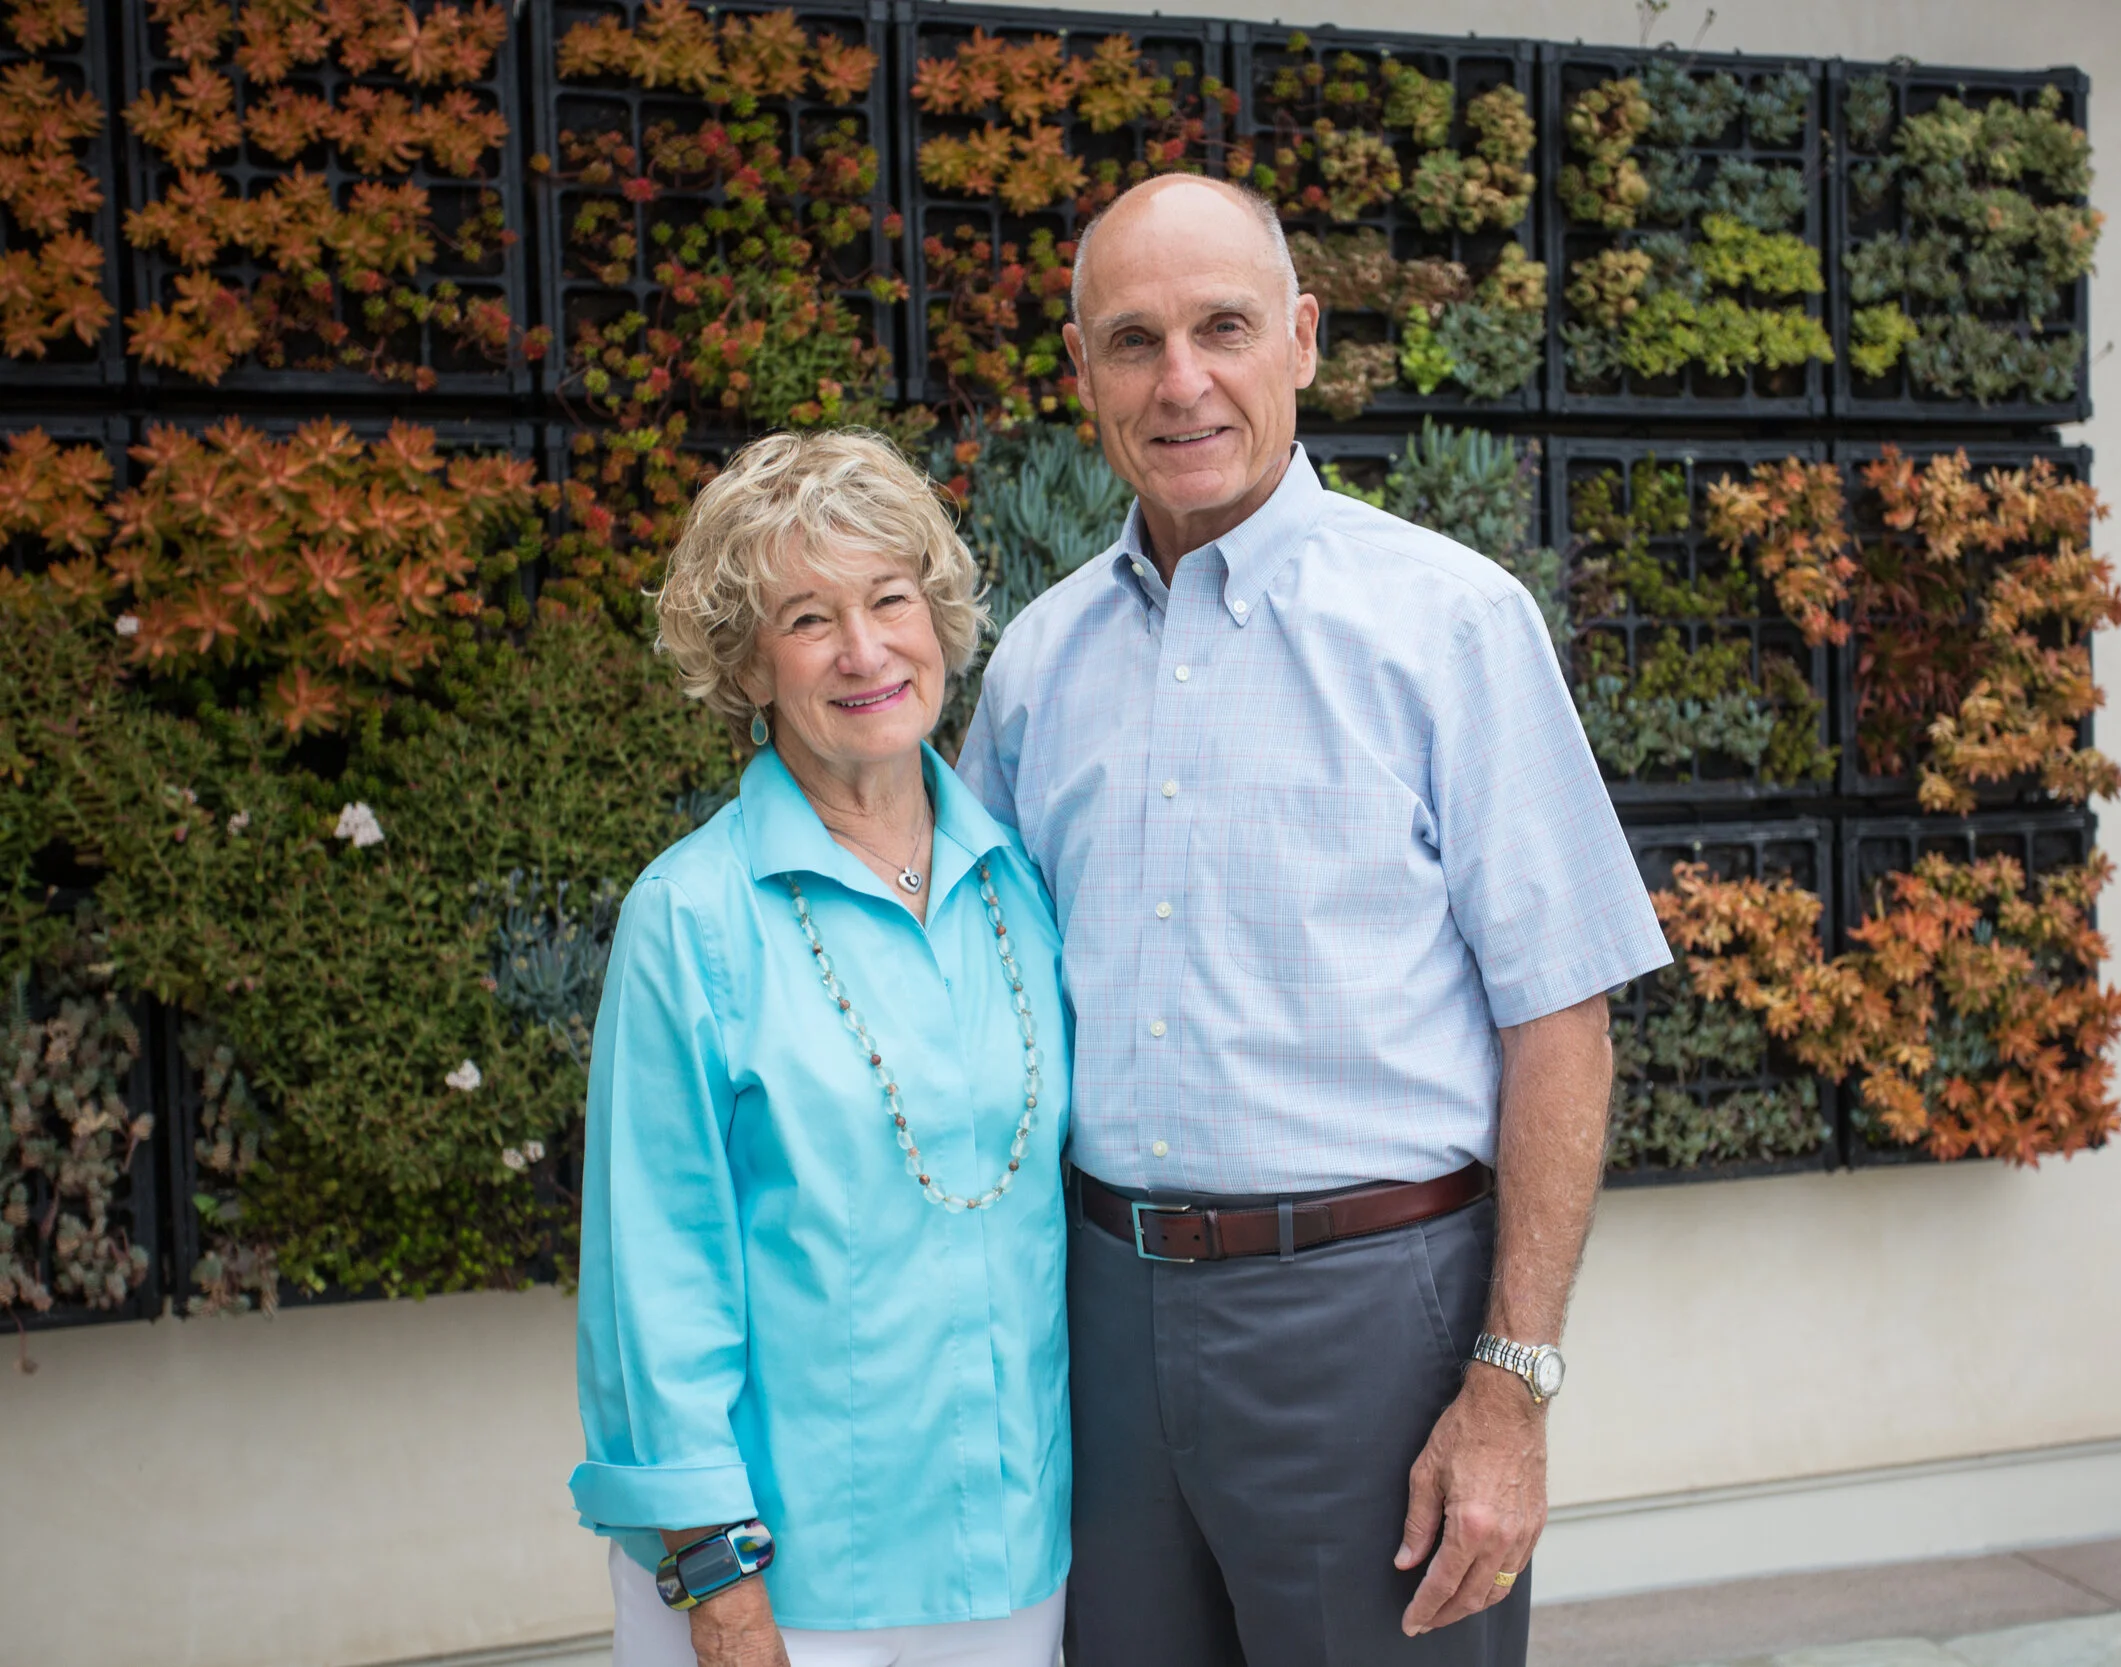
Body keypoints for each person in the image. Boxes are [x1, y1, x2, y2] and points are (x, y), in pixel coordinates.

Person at [955, 175, 1672, 1667]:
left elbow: (1563, 1019)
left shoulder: (1452, 624)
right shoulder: (1034, 665)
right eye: (1134, 340)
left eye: (1222, 328)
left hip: (1375, 1324)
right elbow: (982, 1007)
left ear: (1301, 338)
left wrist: (1511, 1387)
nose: (1181, 382)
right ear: (1083, 369)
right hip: (1098, 1316)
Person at [571, 430, 1074, 1667]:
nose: (864, 649)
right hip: (780, 1577)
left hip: (1012, 1555)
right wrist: (714, 1573)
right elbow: (655, 1273)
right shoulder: (689, 917)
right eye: (807, 618)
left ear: (937, 617)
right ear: (748, 663)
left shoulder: (1021, 882)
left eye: (890, 598)